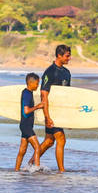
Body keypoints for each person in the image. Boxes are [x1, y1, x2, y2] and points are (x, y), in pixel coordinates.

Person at [38, 44, 72, 172]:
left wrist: (68, 118)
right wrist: (47, 117)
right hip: (50, 111)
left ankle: (30, 164)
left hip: (60, 112)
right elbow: (44, 95)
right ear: (59, 55)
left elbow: (67, 96)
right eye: (67, 56)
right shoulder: (50, 72)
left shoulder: (67, 73)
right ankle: (61, 171)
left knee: (49, 141)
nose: (69, 58)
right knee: (61, 138)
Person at [14, 73, 45, 171]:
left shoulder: (27, 92)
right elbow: (26, 110)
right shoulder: (27, 94)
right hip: (26, 126)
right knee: (37, 147)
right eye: (36, 83)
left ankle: (16, 170)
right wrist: (38, 106)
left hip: (24, 125)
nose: (37, 86)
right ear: (30, 83)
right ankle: (36, 169)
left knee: (22, 150)